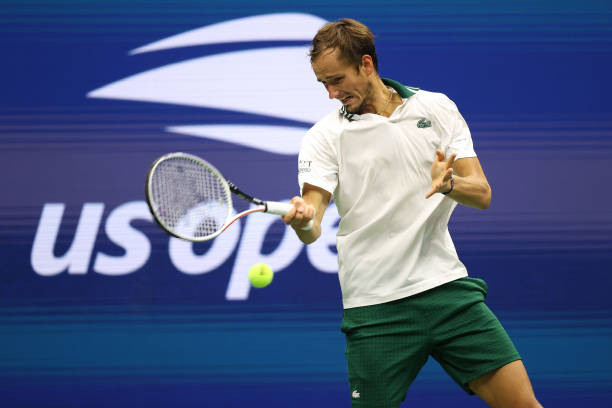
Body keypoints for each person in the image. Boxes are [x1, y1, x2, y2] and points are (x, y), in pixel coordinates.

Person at [282, 18, 542, 408]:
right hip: (375, 308)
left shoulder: (435, 108)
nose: (332, 93)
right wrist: (304, 221)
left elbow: (482, 193)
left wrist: (449, 184)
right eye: (324, 84)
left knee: (523, 404)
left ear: (366, 65)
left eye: (337, 80)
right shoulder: (323, 137)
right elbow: (313, 221)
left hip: (447, 292)